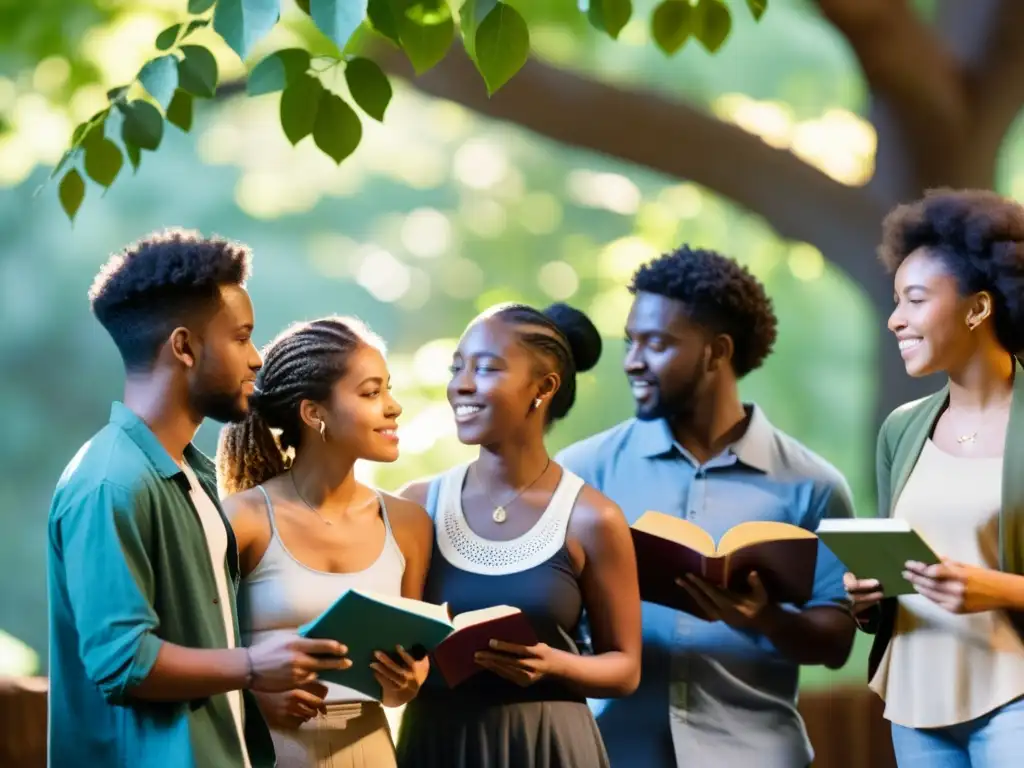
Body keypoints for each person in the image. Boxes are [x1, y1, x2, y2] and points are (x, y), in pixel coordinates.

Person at [46, 230, 349, 768]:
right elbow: (124, 663)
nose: (257, 359)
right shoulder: (109, 483)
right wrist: (253, 665)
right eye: (241, 337)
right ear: (184, 347)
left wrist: (250, 694)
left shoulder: (193, 476)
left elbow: (198, 645)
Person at [555, 246, 858, 768]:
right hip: (611, 751)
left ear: (717, 352)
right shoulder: (583, 470)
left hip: (755, 754)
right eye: (632, 342)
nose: (632, 361)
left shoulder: (813, 485)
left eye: (656, 344)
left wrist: (763, 618)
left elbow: (836, 642)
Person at [395, 302, 642, 768]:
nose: (461, 384)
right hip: (438, 744)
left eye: (485, 368)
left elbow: (625, 668)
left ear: (543, 388)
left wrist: (555, 664)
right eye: (457, 367)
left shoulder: (593, 518)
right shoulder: (415, 503)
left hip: (548, 746)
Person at [844, 189, 1024, 767]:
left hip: (1013, 696)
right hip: (916, 701)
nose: (895, 319)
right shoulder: (902, 430)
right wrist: (869, 593)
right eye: (896, 301)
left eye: (915, 300)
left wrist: (998, 589)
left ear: (977, 308)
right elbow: (899, 567)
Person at [217, 316, 433, 768]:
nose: (392, 407)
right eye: (372, 393)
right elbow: (193, 644)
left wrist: (411, 679)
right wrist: (252, 694)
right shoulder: (244, 520)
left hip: (370, 747)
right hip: (268, 750)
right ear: (314, 413)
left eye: (388, 390)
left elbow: (412, 658)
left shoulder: (409, 523)